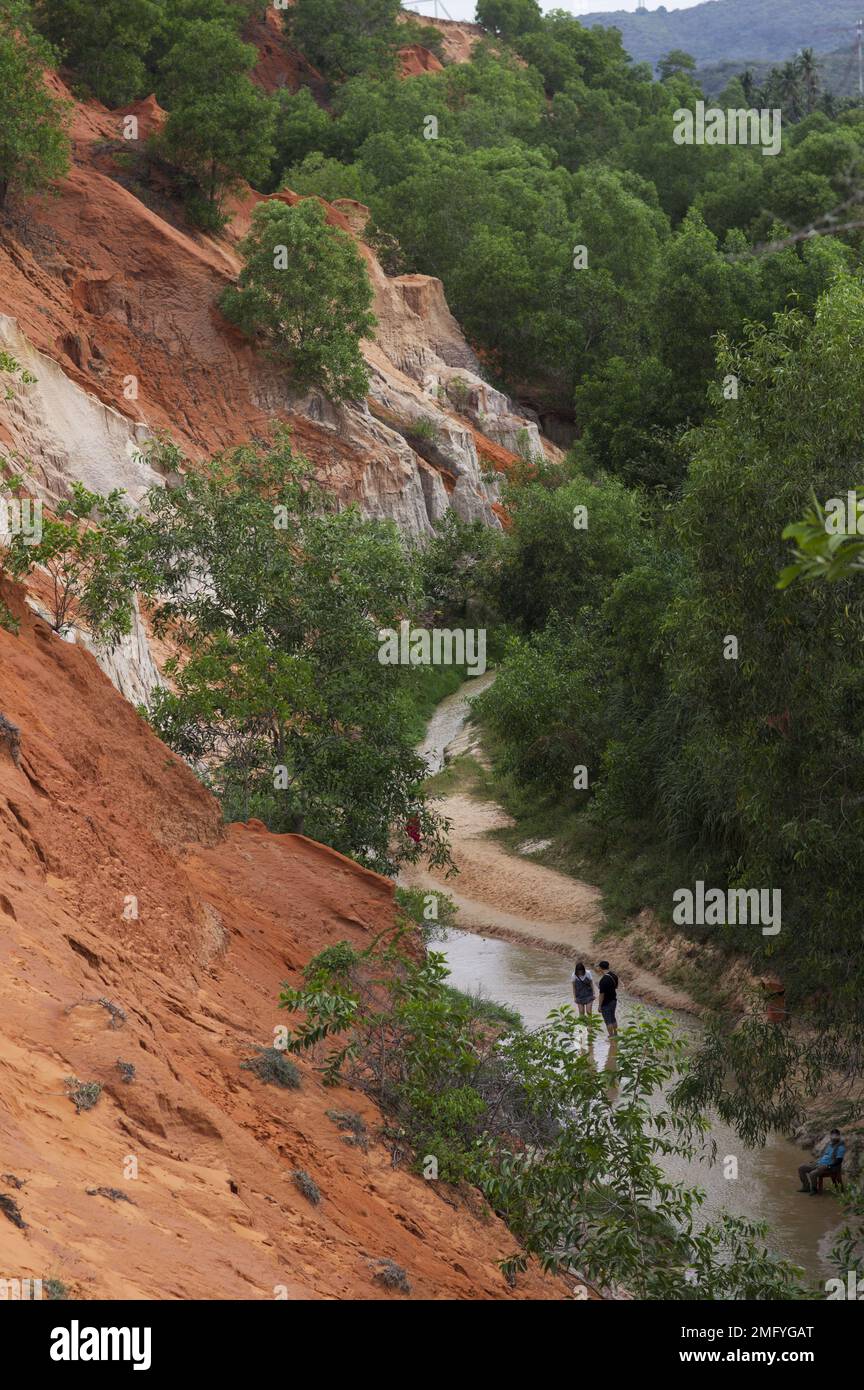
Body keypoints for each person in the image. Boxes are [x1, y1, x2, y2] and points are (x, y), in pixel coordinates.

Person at [798, 1129, 846, 1194]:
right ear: (830, 1136)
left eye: (836, 1135)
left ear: (839, 1136)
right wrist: (817, 1161)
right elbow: (825, 1155)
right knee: (801, 1168)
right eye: (832, 1135)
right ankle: (806, 1187)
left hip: (830, 1167)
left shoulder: (840, 1147)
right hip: (819, 1163)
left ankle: (814, 1189)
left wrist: (829, 1166)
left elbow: (839, 1161)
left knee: (812, 1174)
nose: (834, 1137)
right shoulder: (830, 1144)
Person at [596, 960, 619, 1036]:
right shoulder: (614, 976)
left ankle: (611, 1036)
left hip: (606, 1003)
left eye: (598, 967)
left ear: (600, 968)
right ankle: (616, 1034)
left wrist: (599, 1006)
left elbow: (601, 995)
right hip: (613, 1000)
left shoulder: (603, 980)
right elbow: (616, 987)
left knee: (608, 1021)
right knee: (613, 1018)